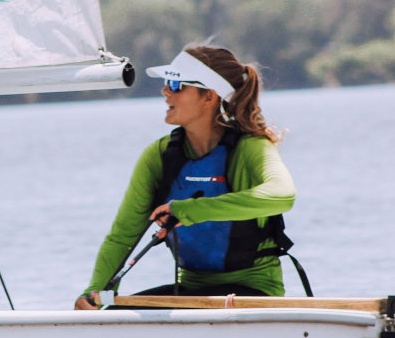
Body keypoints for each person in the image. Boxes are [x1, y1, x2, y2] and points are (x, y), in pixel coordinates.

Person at [75, 44, 296, 309]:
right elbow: (122, 237)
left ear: (209, 96)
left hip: (255, 291)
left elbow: (282, 195)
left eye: (176, 84)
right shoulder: (158, 156)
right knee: (112, 314)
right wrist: (94, 292)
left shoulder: (251, 147)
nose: (165, 91)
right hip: (190, 290)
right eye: (166, 83)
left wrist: (191, 210)